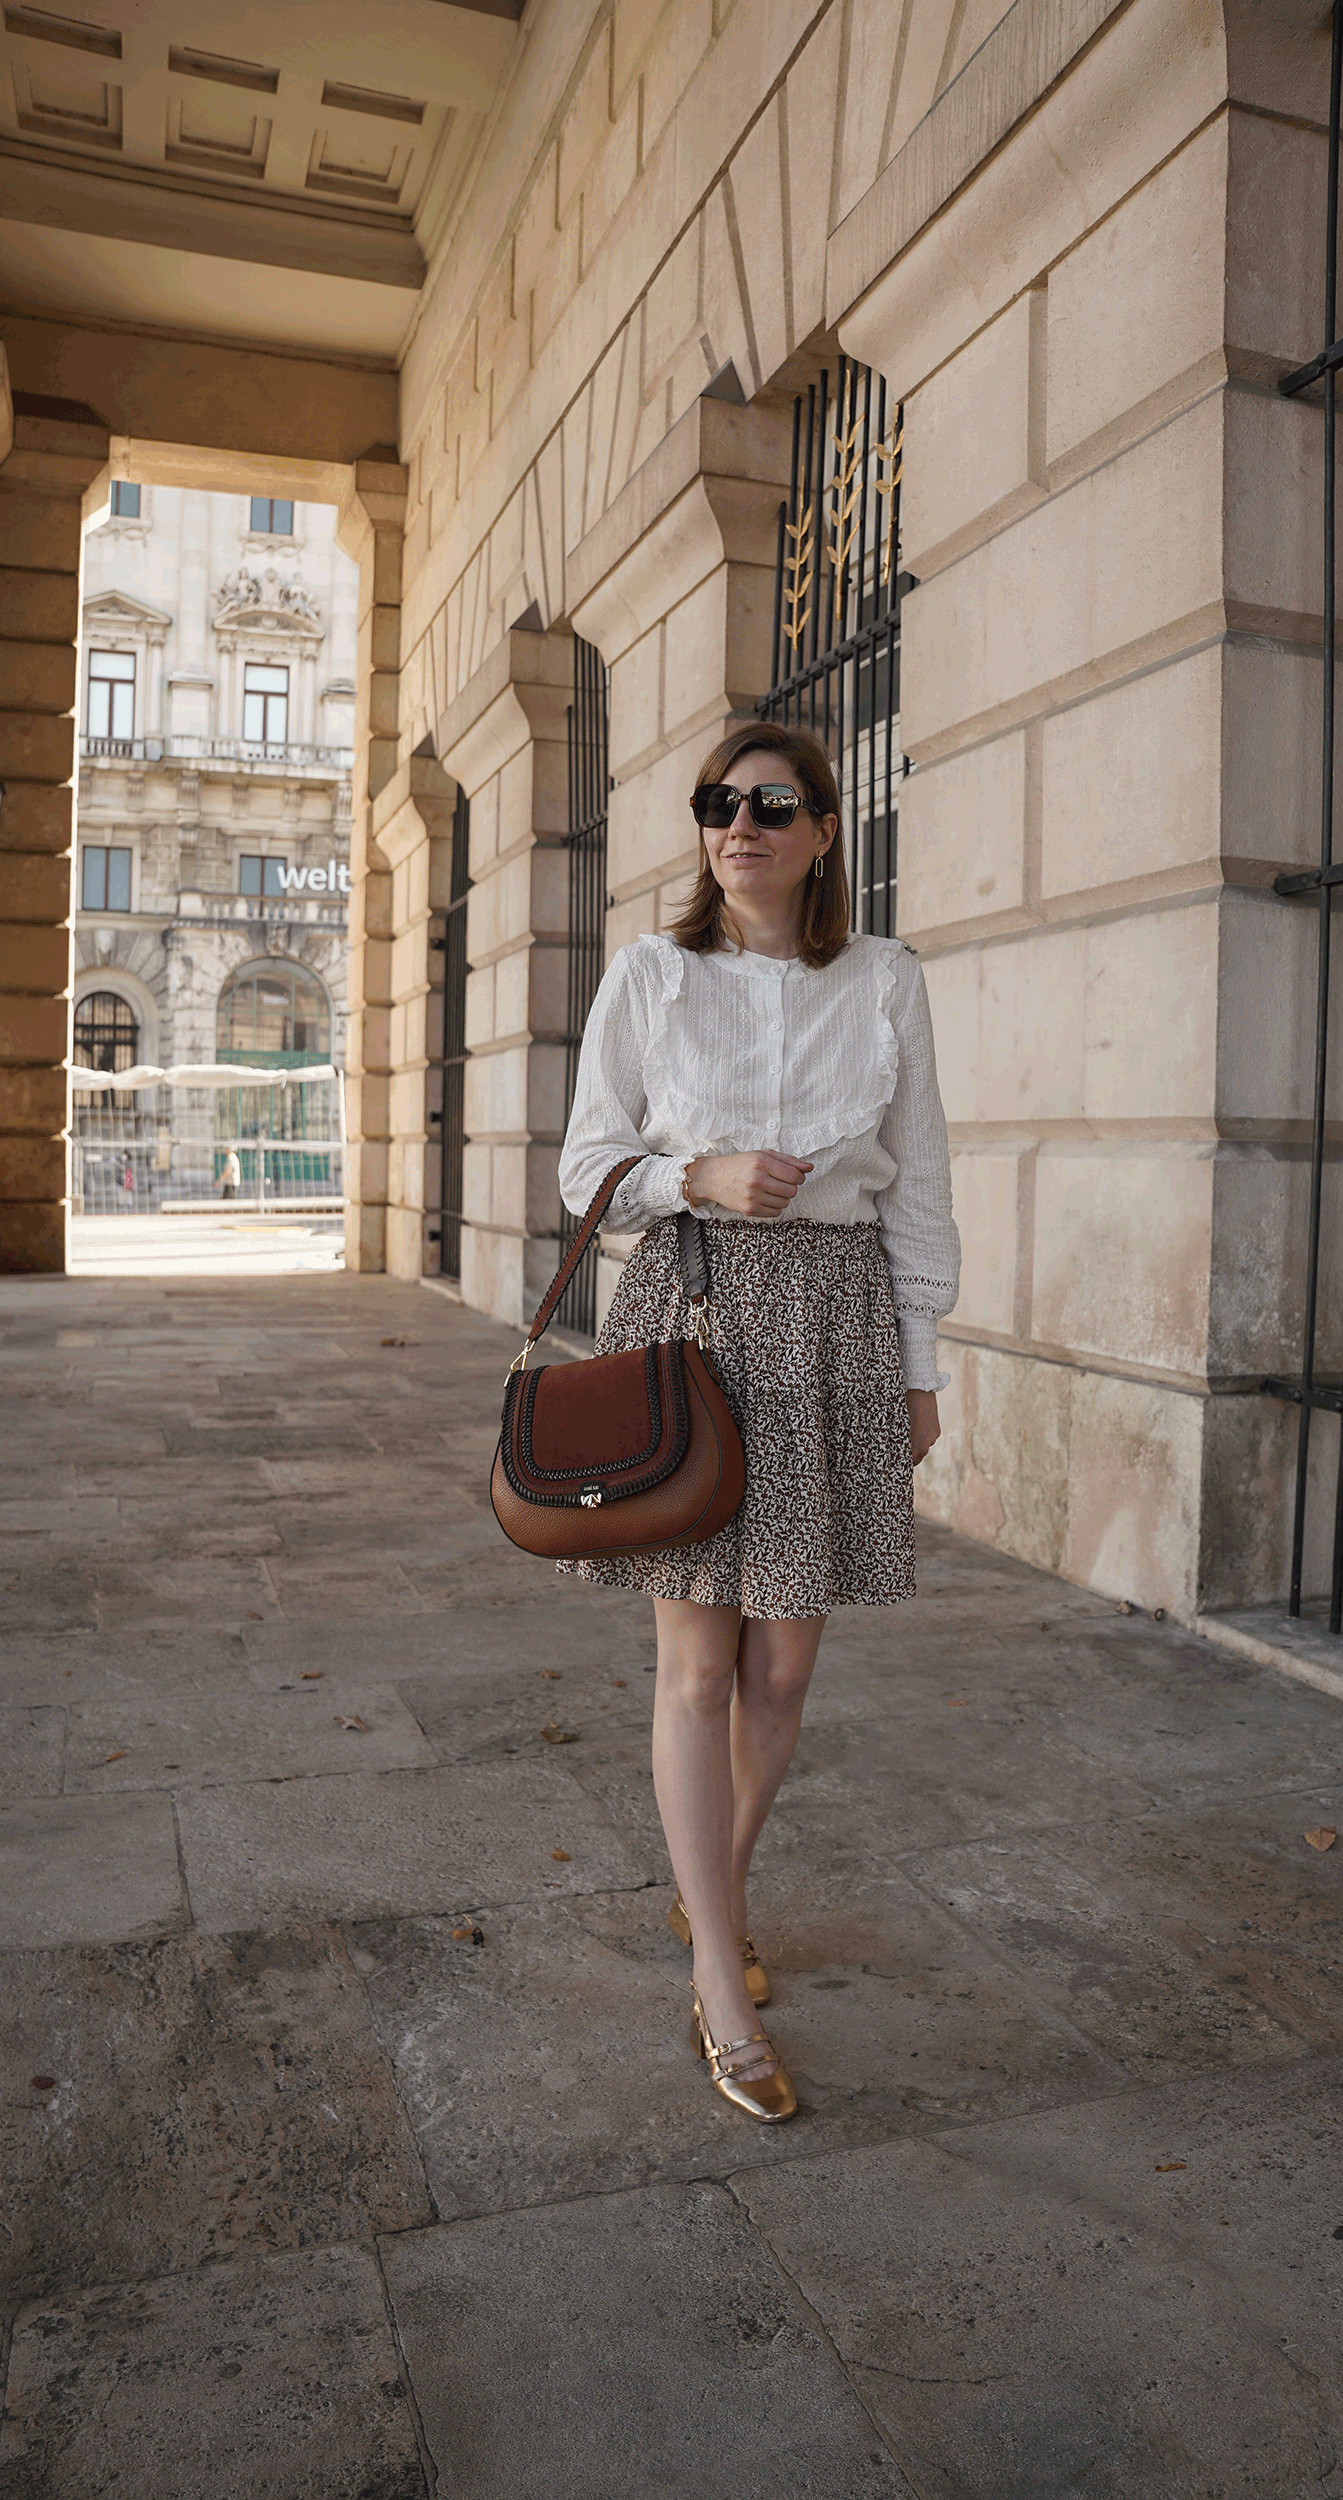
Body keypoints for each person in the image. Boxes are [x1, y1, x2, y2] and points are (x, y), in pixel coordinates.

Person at [558, 725, 959, 2124]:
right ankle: (720, 1974)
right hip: (697, 1312)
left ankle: (704, 1894)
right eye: (719, 804)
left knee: (783, 1669)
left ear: (823, 831)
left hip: (840, 1325)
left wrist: (919, 1366)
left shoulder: (884, 979)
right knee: (697, 1669)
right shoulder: (651, 976)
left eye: (772, 805)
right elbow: (585, 1172)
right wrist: (698, 1172)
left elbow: (917, 1187)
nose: (742, 824)